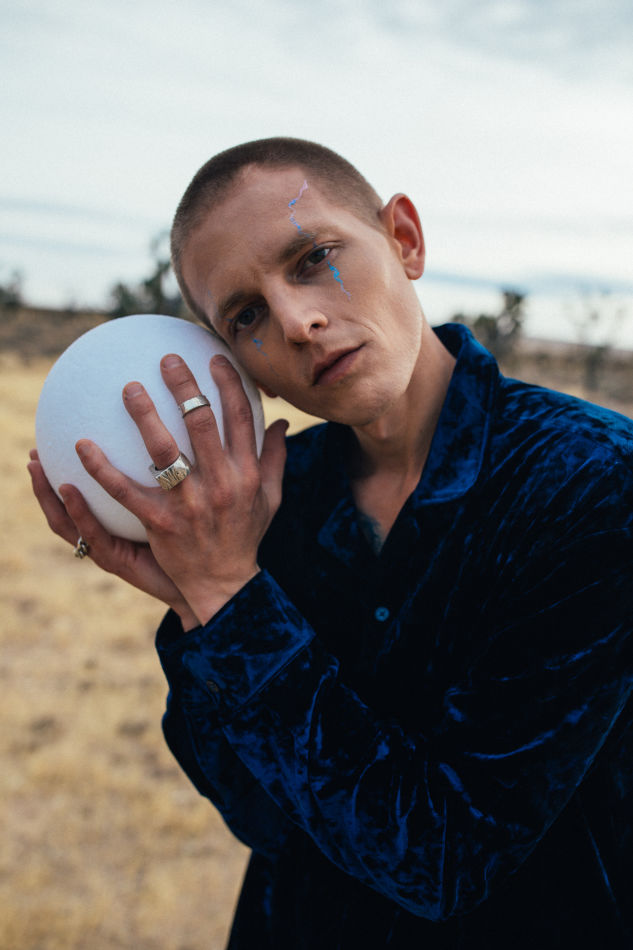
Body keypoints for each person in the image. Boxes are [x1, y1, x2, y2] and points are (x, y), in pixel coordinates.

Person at [29, 138, 633, 948]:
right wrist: (194, 597)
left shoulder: (591, 481)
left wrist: (230, 602)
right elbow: (259, 818)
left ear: (404, 239)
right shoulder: (263, 504)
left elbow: (448, 856)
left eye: (314, 258)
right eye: (245, 315)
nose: (296, 322)